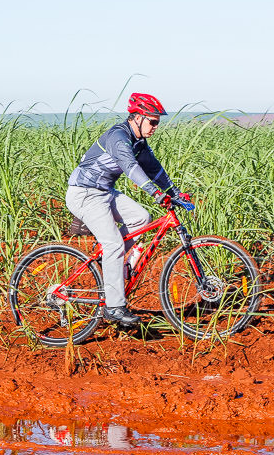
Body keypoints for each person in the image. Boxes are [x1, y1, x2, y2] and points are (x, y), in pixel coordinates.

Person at [65, 92, 189, 327]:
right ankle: (113, 307)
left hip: (104, 192)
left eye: (157, 123)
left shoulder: (139, 142)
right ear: (138, 117)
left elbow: (155, 170)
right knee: (114, 245)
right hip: (84, 193)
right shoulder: (118, 136)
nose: (155, 127)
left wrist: (174, 193)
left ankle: (110, 262)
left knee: (142, 218)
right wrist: (155, 193)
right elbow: (130, 167)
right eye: (152, 121)